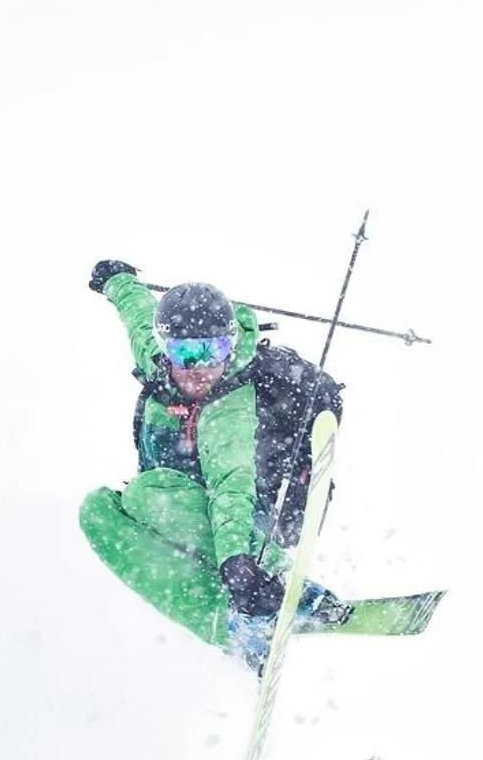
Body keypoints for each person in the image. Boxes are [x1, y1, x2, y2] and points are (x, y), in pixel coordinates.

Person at [78, 259, 350, 671]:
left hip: (244, 524)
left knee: (148, 493)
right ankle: (233, 627)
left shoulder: (230, 402)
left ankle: (284, 585)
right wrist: (117, 281)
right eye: (186, 352)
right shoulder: (157, 366)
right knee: (97, 511)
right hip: (184, 516)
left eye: (213, 351)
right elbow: (138, 314)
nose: (201, 368)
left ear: (229, 346)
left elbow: (231, 484)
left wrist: (238, 561)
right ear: (165, 349)